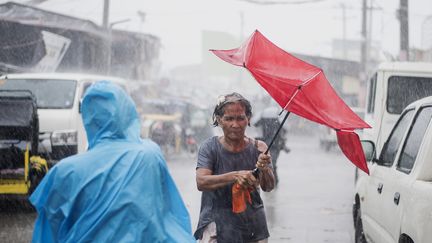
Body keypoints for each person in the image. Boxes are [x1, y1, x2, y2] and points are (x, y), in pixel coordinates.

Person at [30, 81, 195, 243]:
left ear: (88, 118)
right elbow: (173, 214)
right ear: (127, 113)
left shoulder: (64, 172)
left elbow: (47, 234)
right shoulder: (149, 155)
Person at [194, 92, 275, 243]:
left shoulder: (260, 148)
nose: (235, 124)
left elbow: (269, 187)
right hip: (216, 222)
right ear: (219, 120)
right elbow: (201, 182)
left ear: (248, 119)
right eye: (229, 119)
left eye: (240, 118)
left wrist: (264, 169)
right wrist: (235, 176)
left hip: (252, 225)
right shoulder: (209, 148)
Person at [253, 106, 290, 185]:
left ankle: (272, 181)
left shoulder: (263, 116)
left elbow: (255, 124)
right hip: (275, 144)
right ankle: (273, 181)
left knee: (269, 162)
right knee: (272, 162)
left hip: (268, 143)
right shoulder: (279, 117)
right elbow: (285, 129)